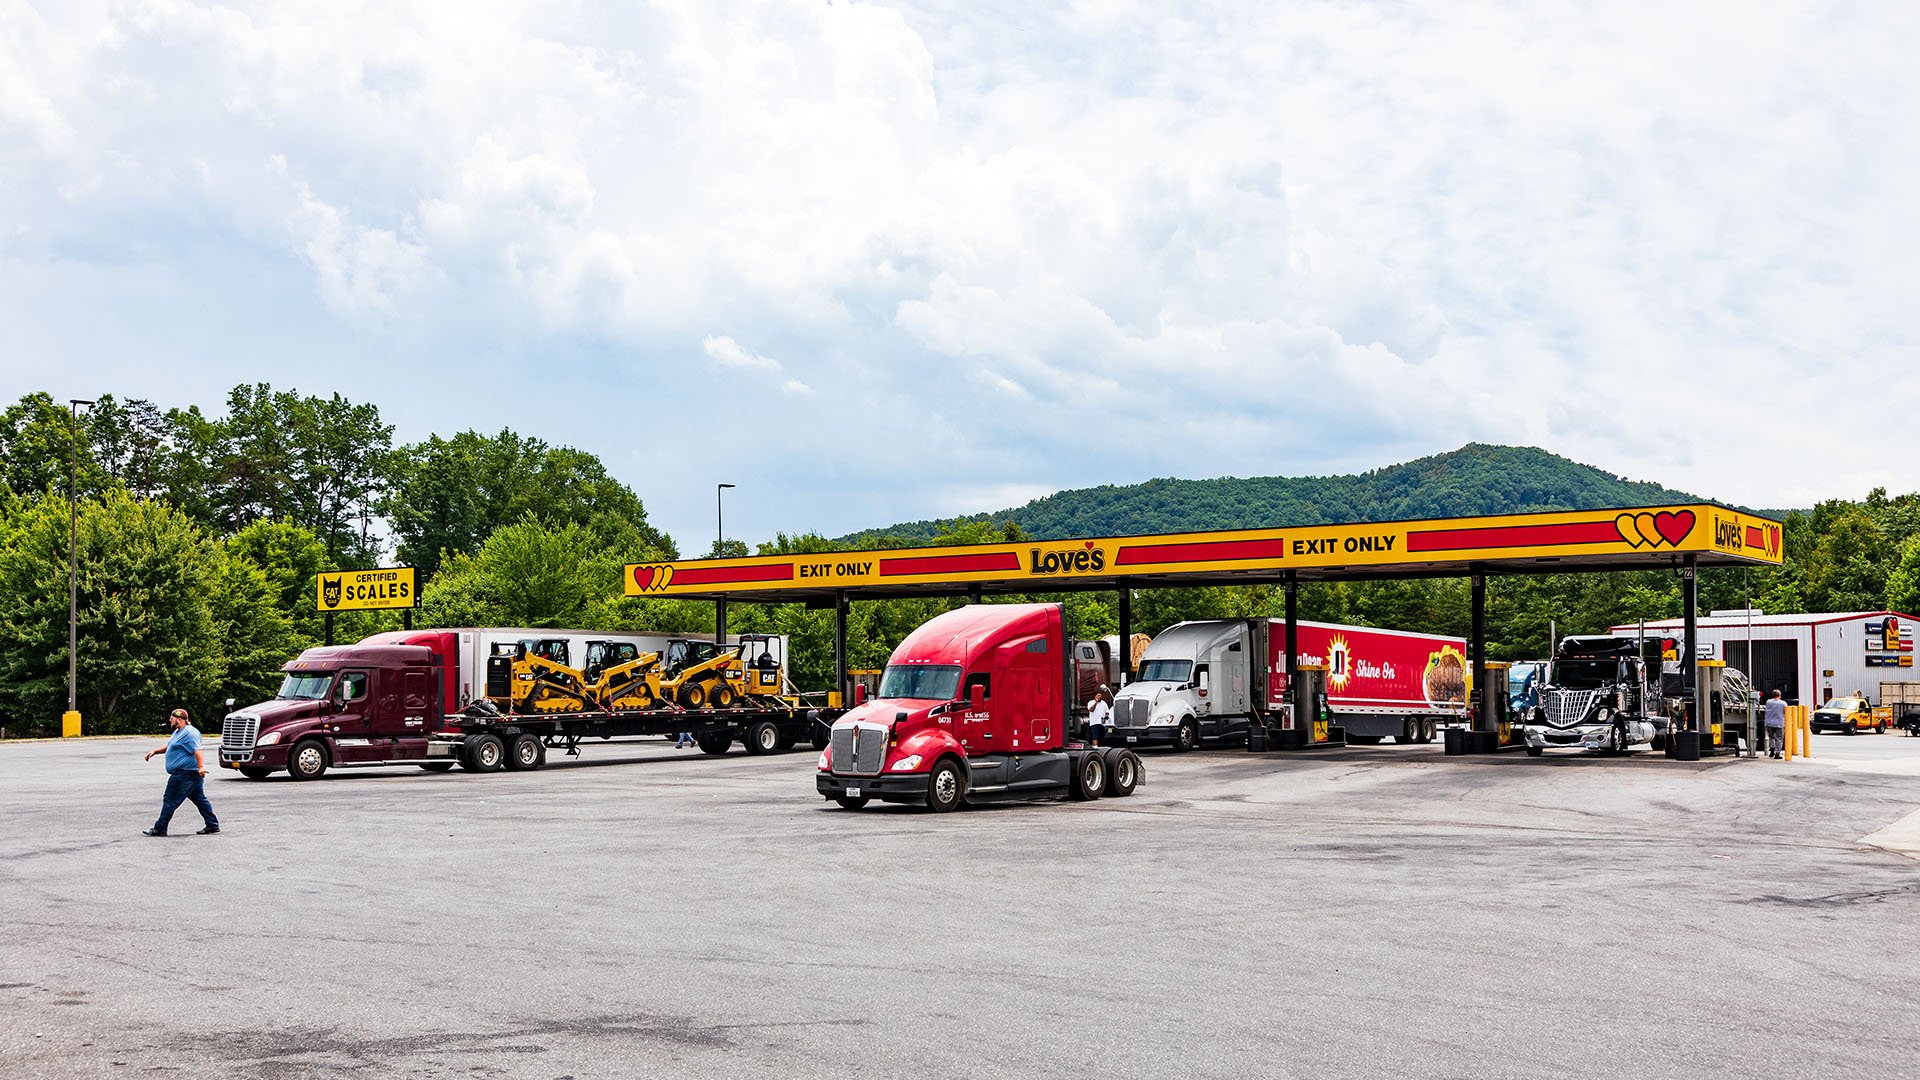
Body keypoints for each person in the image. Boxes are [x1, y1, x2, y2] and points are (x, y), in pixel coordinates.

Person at [143, 708, 219, 836]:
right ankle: (212, 824)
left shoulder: (190, 733)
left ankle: (160, 828)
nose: (169, 720)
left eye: (171, 718)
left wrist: (201, 767)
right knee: (200, 800)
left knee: (169, 800)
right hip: (189, 775)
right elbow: (170, 745)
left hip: (185, 774)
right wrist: (155, 752)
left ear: (179, 719)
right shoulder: (178, 732)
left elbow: (197, 750)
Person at [1764, 690, 1787, 758]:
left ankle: (1771, 750)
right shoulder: (1783, 703)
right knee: (1779, 738)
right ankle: (1777, 753)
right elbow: (1786, 712)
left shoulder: (1768, 702)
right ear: (1780, 695)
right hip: (1779, 723)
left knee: (1771, 737)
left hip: (1769, 723)